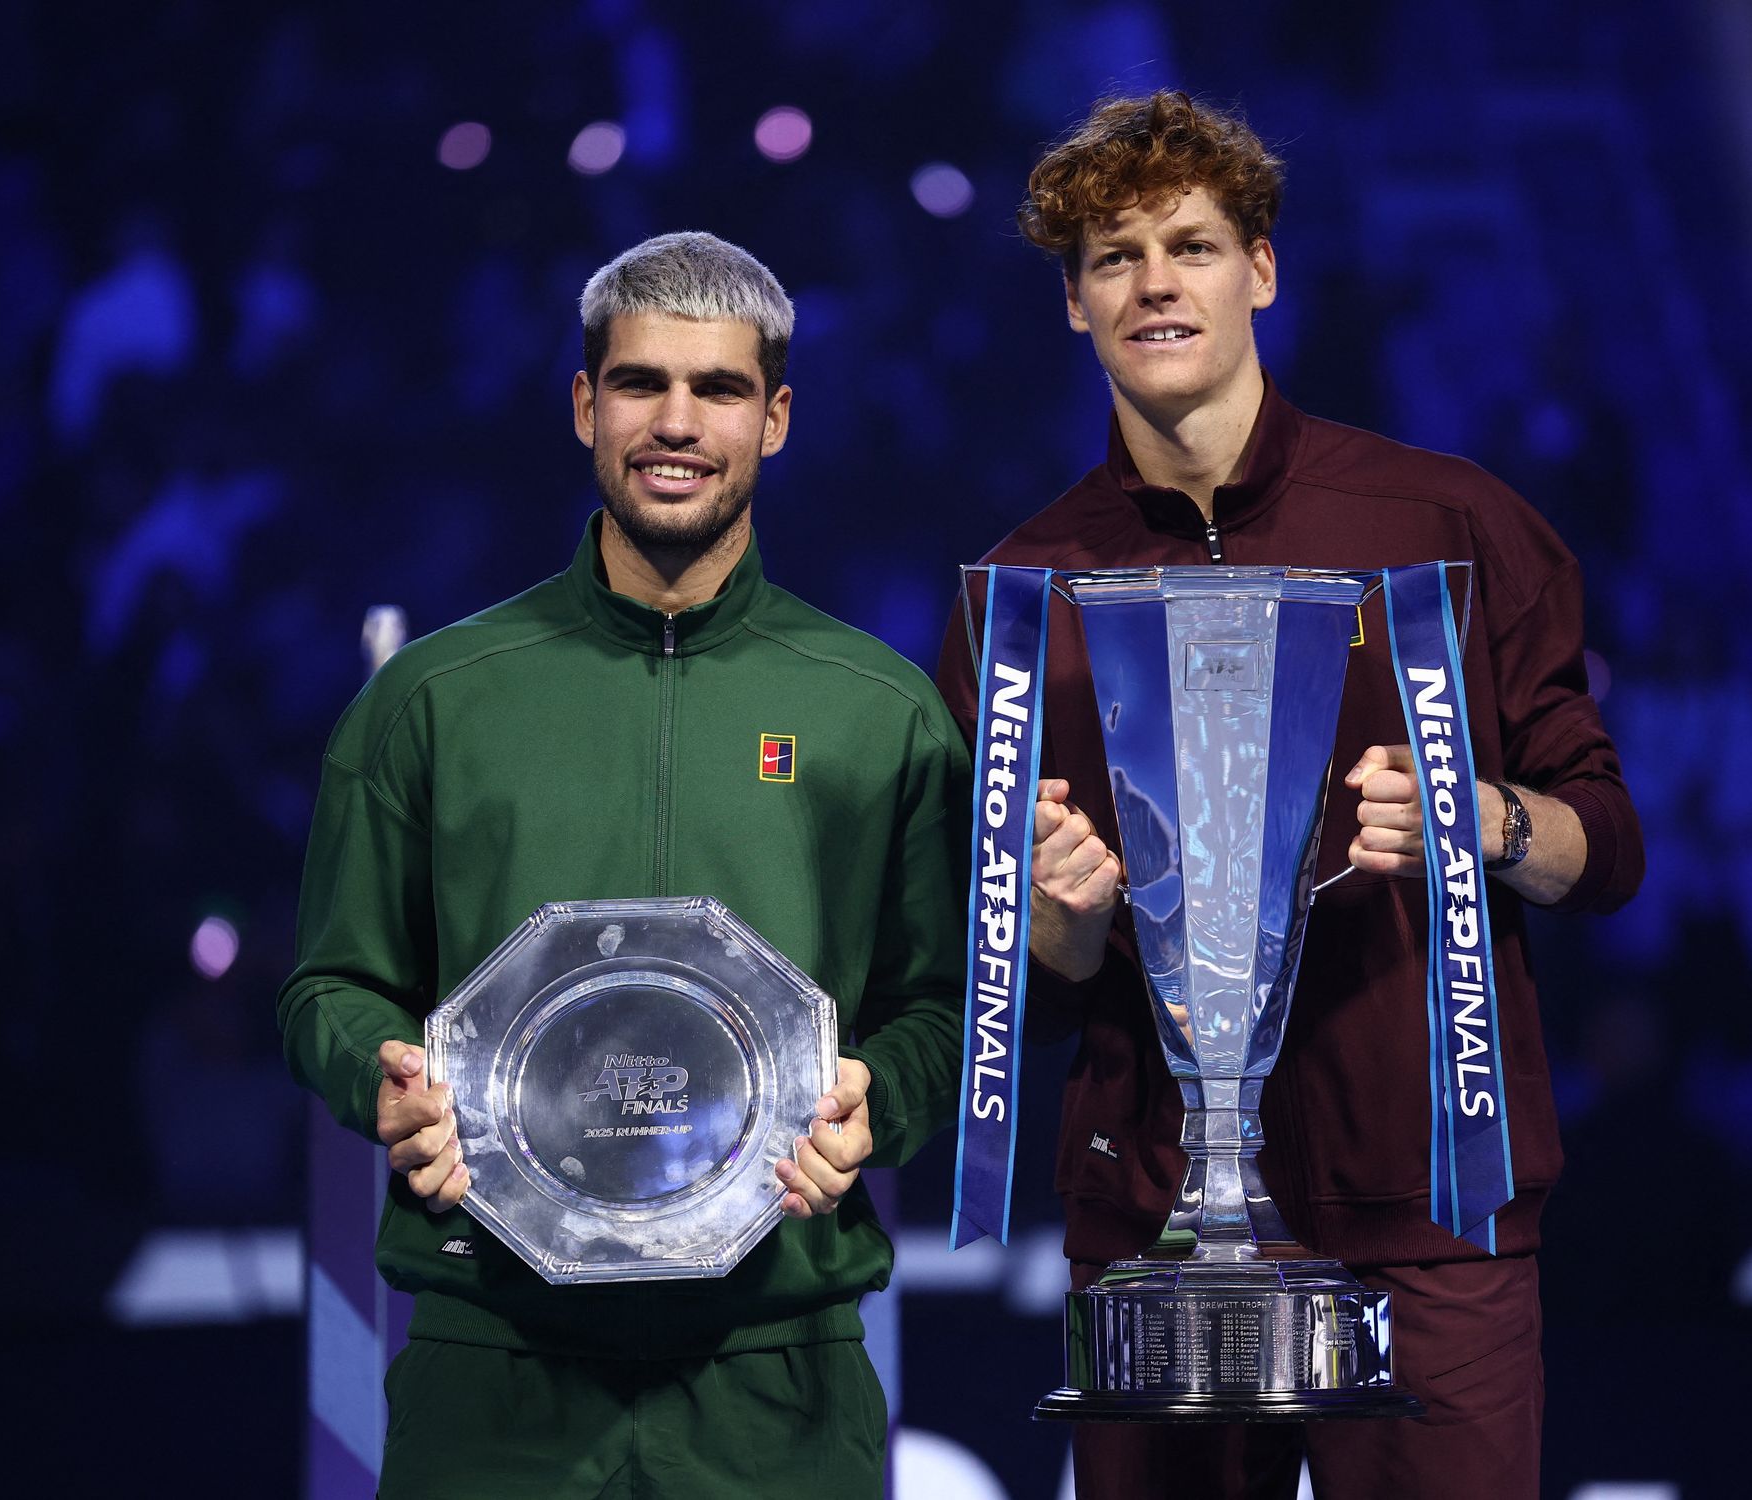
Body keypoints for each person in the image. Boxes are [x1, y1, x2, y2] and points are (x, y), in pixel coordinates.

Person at [935, 93, 1643, 1500]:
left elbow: (1604, 845)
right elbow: (1046, 979)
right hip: (1154, 1223)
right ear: (1074, 304)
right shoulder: (1022, 597)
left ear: (1262, 269)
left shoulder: (1444, 528)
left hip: (1426, 1209)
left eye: (1190, 246)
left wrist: (1480, 818)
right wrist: (1061, 914)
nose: (1154, 283)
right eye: (1113, 257)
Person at [280, 231, 968, 1500]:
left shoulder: (880, 707)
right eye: (643, 384)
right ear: (587, 404)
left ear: (776, 418)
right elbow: (330, 984)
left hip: (779, 1370)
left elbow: (940, 1009)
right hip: (492, 1367)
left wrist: (882, 1099)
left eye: (717, 390)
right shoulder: (435, 697)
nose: (677, 422)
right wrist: (379, 1085)